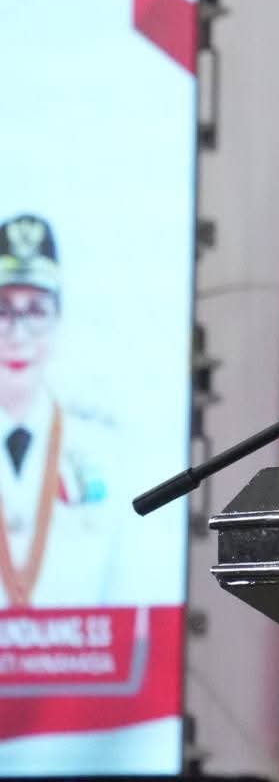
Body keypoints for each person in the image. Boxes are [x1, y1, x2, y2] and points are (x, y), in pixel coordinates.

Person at [0, 213, 117, 610]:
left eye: (35, 311)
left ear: (57, 320)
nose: (17, 334)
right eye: (3, 310)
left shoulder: (102, 447)